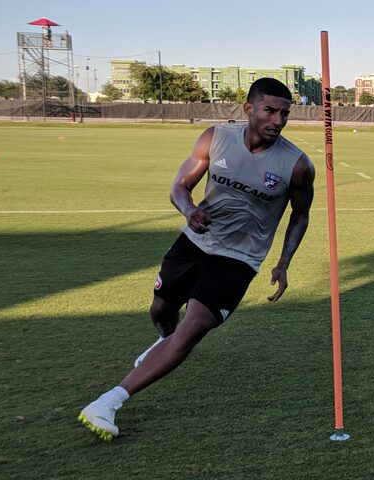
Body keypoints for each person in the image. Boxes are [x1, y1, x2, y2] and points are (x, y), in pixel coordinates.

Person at [77, 78, 316, 441]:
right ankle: (164, 345)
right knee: (160, 312)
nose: (278, 120)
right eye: (270, 110)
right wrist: (189, 210)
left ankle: (108, 402)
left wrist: (284, 262)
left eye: (285, 113)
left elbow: (300, 214)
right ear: (248, 109)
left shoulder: (297, 165)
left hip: (238, 260)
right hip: (194, 241)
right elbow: (179, 186)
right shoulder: (215, 137)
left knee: (192, 330)